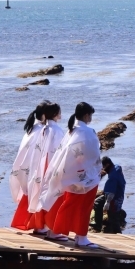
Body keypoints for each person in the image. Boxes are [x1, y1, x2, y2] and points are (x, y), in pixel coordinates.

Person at [40, 102, 102, 248]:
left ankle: (54, 230)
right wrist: (97, 169)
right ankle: (81, 237)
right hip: (86, 177)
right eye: (90, 115)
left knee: (67, 203)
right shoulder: (88, 132)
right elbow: (94, 155)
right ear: (87, 115)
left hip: (70, 174)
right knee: (84, 208)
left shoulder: (71, 130)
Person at [9, 101, 49, 231]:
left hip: (26, 169)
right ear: (44, 115)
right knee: (37, 194)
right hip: (34, 169)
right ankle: (37, 225)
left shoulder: (32, 129)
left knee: (32, 195)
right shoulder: (41, 131)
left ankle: (34, 224)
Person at [26, 101, 63, 237]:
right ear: (54, 114)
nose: (61, 114)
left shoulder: (43, 129)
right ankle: (51, 228)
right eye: (59, 111)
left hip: (42, 165)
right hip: (52, 165)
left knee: (40, 194)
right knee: (53, 196)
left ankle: (40, 225)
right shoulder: (57, 130)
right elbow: (60, 150)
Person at [93, 156, 126, 234]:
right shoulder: (115, 168)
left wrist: (107, 202)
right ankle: (98, 225)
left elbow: (111, 191)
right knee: (97, 203)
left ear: (107, 165)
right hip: (108, 194)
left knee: (112, 216)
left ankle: (118, 233)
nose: (103, 169)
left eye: (103, 167)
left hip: (114, 198)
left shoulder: (113, 176)